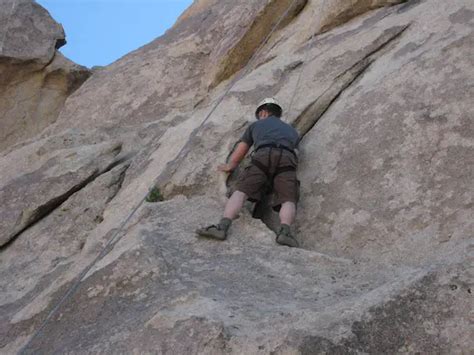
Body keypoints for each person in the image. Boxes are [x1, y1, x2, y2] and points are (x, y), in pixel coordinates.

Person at [196, 98, 300, 247]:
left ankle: (222, 227)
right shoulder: (292, 131)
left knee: (241, 191)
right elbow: (296, 152)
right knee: (288, 198)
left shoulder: (256, 125)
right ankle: (285, 232)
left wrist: (231, 165)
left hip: (263, 155)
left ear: (263, 112)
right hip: (287, 159)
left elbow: (243, 148)